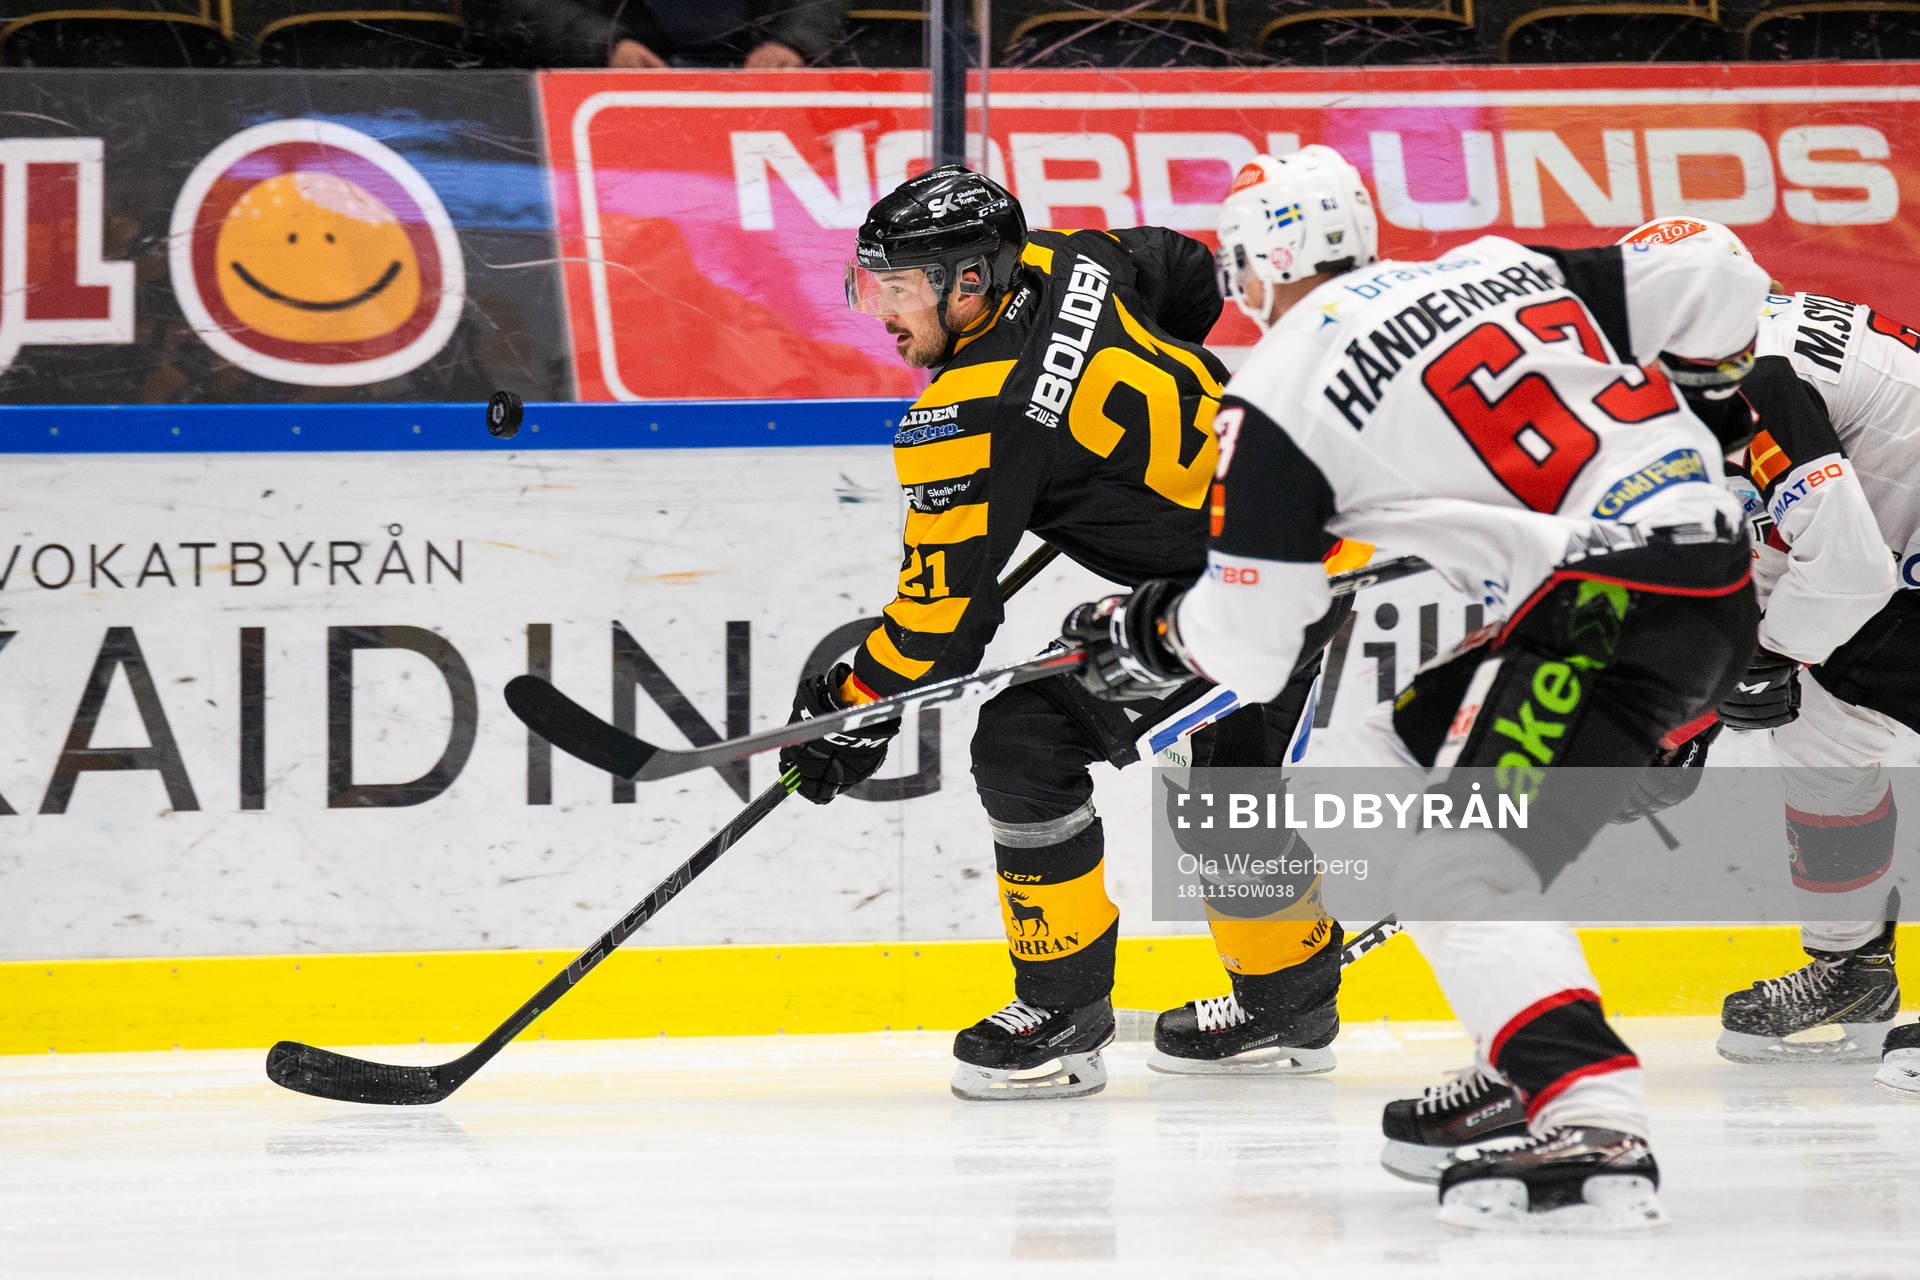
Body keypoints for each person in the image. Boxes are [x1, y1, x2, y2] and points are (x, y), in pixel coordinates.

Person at [1062, 148, 1770, 1228]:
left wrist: (1150, 631)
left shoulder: (1277, 385)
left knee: (1459, 854)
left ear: (1256, 263)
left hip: (1599, 602)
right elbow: (1721, 280)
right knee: (1377, 758)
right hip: (1705, 575)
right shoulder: (1496, 264)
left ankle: (1593, 1115)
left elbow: (1251, 648)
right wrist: (1718, 406)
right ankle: (1520, 1037)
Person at [779, 163, 1360, 1101]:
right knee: (1227, 781)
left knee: (1025, 742)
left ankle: (1063, 1014)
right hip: (1308, 529)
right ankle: (1289, 999)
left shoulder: (968, 418)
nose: (879, 311)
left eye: (897, 288)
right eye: (870, 284)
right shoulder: (1066, 259)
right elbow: (1183, 269)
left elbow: (938, 630)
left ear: (969, 281)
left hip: (1241, 594)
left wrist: (852, 708)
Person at [1613, 220, 1917, 1094]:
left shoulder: (1756, 376)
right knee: (1820, 728)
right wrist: (1684, 719)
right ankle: (1853, 970)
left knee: (1805, 688)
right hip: (1898, 554)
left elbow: (1846, 562)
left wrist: (1744, 673)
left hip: (1891, 558)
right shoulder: (1728, 354)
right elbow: (1760, 548)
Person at [469, 0, 845, 68]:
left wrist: (794, 42)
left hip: (756, 88)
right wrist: (603, 44)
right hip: (606, 88)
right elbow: (515, 7)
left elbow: (817, 6)